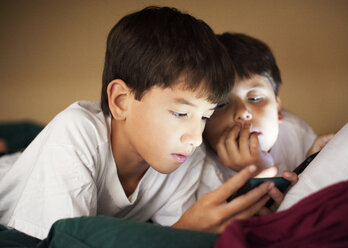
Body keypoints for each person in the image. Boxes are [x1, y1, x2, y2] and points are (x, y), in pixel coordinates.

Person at [0, 7, 282, 240]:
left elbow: (178, 238)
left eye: (205, 116)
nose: (195, 138)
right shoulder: (76, 132)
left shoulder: (184, 157)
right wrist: (186, 229)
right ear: (121, 101)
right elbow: (67, 240)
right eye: (181, 114)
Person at [197, 32, 333, 199]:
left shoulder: (297, 136)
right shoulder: (195, 159)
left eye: (255, 98)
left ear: (277, 110)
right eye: (221, 104)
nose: (242, 113)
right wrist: (254, 172)